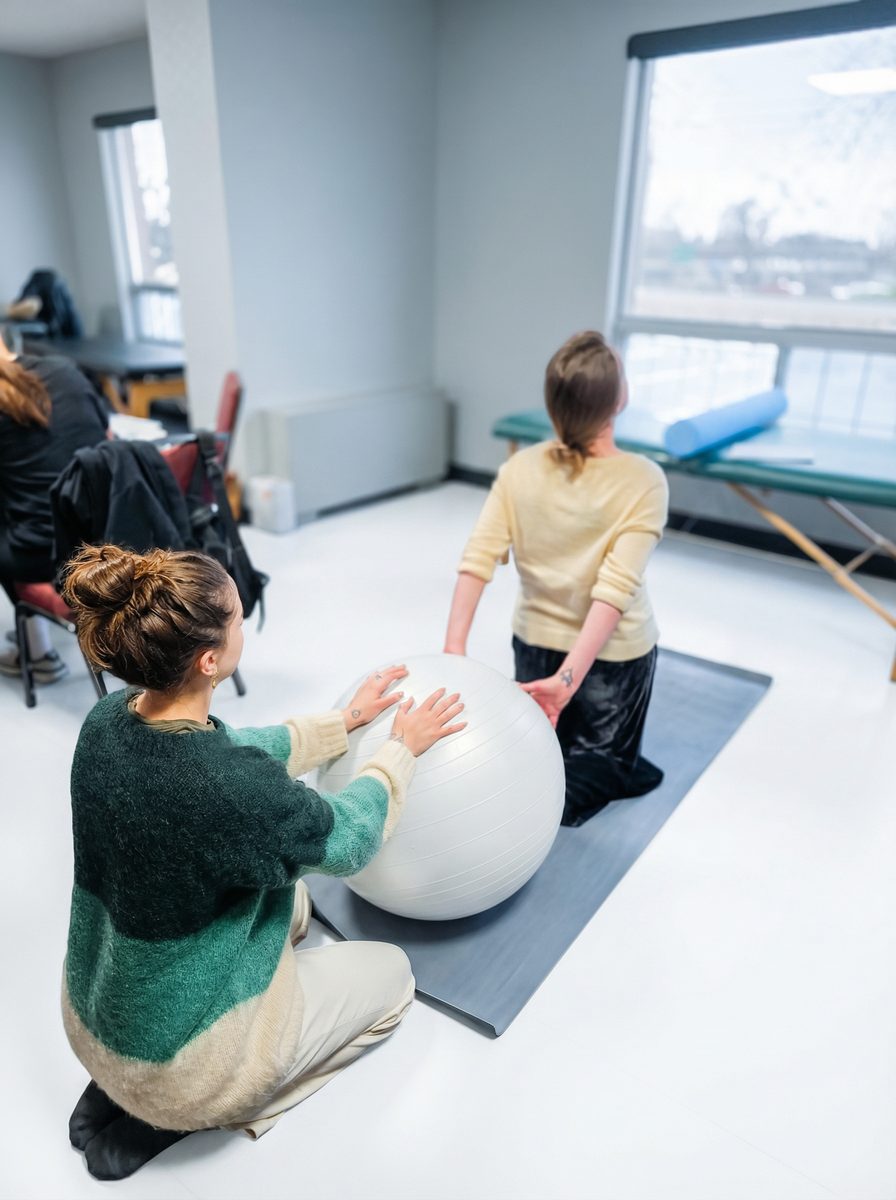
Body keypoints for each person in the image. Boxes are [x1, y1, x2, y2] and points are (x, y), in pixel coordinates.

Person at [60, 542, 465, 1180]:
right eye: (239, 618)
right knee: (393, 978)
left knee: (289, 901)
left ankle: (123, 1089)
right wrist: (398, 753)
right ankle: (188, 1111)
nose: (245, 625)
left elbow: (236, 749)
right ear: (210, 658)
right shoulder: (230, 791)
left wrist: (345, 722)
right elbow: (351, 837)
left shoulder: (107, 722)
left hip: (96, 1028)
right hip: (185, 1068)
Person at [444, 330, 668, 827]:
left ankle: (579, 766)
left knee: (544, 747)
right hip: (612, 657)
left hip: (535, 644)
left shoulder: (520, 466)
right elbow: (615, 592)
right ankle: (563, 790)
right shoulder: (644, 479)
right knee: (593, 768)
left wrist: (454, 649)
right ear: (619, 398)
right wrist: (568, 680)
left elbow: (478, 559)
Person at [0, 331, 108, 683]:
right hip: (108, 539)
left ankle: (38, 653)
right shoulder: (66, 371)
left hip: (46, 556)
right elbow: (106, 439)